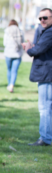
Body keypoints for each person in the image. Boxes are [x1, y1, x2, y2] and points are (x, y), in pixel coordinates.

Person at [22, 8, 52, 146]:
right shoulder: (44, 31)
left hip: (47, 74)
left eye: (45, 18)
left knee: (44, 107)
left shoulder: (50, 32)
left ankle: (45, 138)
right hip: (47, 73)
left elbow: (38, 50)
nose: (42, 21)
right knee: (48, 107)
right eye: (40, 19)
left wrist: (28, 48)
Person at [3, 19, 24, 93]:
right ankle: (11, 85)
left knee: (9, 70)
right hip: (17, 53)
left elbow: (4, 43)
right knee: (14, 71)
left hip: (8, 53)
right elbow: (22, 42)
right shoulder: (20, 31)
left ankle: (9, 84)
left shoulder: (7, 31)